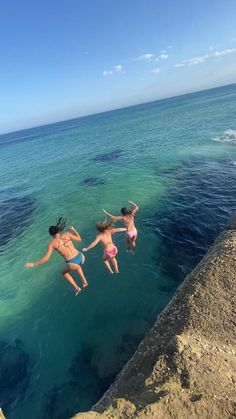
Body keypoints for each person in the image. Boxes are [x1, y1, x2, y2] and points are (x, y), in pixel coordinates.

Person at [24, 217, 88, 296]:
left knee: (64, 273)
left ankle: (77, 287)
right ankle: (84, 280)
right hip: (81, 256)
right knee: (77, 266)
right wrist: (74, 230)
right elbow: (79, 239)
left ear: (51, 235)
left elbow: (46, 258)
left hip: (72, 263)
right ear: (59, 231)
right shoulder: (67, 234)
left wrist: (34, 264)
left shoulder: (52, 243)